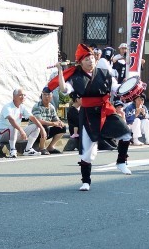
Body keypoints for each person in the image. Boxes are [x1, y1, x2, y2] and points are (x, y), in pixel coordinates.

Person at [50, 43, 133, 191]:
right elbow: (63, 89)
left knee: (126, 134)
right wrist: (60, 71)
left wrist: (128, 87)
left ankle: (121, 162)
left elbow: (116, 89)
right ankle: (86, 181)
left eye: (92, 58)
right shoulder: (75, 77)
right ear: (80, 62)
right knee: (88, 151)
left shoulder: (104, 72)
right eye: (87, 59)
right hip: (88, 114)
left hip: (105, 109)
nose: (91, 61)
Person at [0, 89, 45, 158]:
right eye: (20, 95)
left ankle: (28, 149)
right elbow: (11, 120)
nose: (23, 97)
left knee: (36, 126)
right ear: (14, 96)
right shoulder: (7, 106)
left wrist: (42, 129)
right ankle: (12, 150)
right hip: (2, 135)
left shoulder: (22, 107)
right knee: (13, 126)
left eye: (24, 95)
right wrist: (21, 130)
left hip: (15, 133)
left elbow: (32, 118)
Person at [31, 87, 67, 154]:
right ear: (41, 95)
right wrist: (53, 123)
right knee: (45, 126)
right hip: (35, 131)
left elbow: (56, 119)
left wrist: (60, 123)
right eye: (44, 94)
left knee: (62, 127)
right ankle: (42, 148)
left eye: (48, 94)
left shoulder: (51, 107)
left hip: (45, 131)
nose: (46, 96)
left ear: (51, 96)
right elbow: (38, 121)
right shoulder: (37, 106)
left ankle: (50, 147)